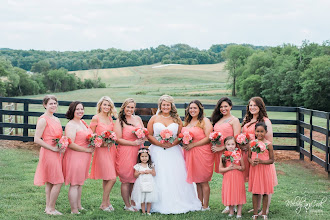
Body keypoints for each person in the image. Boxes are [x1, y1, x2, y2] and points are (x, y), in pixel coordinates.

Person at [147, 95, 202, 214]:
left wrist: (172, 144)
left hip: (173, 151)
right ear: (160, 106)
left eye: (168, 105)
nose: (166, 107)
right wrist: (159, 144)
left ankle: (179, 200)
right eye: (164, 104)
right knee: (159, 175)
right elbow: (149, 134)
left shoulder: (176, 119)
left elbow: (180, 135)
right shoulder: (154, 118)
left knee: (175, 174)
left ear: (171, 106)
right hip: (157, 150)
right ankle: (156, 201)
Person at [242, 97, 278, 215]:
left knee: (265, 182)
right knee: (256, 181)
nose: (252, 107)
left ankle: (265, 208)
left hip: (262, 156)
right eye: (250, 105)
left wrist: (256, 148)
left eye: (255, 105)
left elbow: (269, 141)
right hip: (251, 155)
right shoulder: (248, 120)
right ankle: (257, 207)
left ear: (260, 107)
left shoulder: (265, 121)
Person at [181, 100, 214, 210]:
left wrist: (193, 145)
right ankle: (199, 203)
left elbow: (208, 138)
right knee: (197, 180)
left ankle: (206, 205)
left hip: (202, 152)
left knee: (203, 180)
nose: (192, 110)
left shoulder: (204, 121)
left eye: (195, 108)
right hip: (190, 153)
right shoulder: (187, 122)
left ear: (200, 109)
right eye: (190, 108)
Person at [34, 95, 64, 215]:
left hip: (57, 152)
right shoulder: (43, 119)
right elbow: (36, 139)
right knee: (58, 180)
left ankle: (48, 208)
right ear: (45, 105)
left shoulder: (56, 119)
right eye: (50, 103)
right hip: (49, 152)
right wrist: (52, 148)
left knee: (51, 181)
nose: (53, 106)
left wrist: (62, 145)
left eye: (55, 103)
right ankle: (51, 208)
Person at [114, 98, 145, 211]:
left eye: (132, 107)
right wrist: (133, 142)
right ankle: (127, 205)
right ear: (124, 107)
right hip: (125, 152)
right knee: (126, 179)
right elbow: (118, 139)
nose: (130, 109)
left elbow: (144, 132)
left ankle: (134, 203)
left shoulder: (137, 118)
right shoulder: (119, 121)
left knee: (135, 178)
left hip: (138, 151)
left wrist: (142, 137)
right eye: (128, 107)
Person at [210, 97, 241, 213]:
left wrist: (222, 147)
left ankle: (236, 203)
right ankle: (229, 204)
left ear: (230, 107)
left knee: (234, 178)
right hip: (220, 154)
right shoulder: (218, 120)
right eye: (221, 107)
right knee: (226, 179)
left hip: (231, 153)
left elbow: (237, 138)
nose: (223, 109)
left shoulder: (234, 120)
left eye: (225, 106)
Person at [63, 101, 94, 214]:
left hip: (84, 157)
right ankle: (74, 210)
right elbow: (70, 144)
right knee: (75, 183)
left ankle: (79, 205)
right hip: (75, 156)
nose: (80, 111)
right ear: (72, 111)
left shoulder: (83, 123)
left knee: (80, 182)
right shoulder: (71, 125)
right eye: (77, 109)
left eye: (82, 109)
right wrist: (86, 150)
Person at [89, 96, 118, 212]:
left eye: (108, 105)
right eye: (104, 104)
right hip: (101, 150)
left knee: (107, 177)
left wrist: (111, 139)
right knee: (112, 178)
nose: (106, 107)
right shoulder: (96, 118)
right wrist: (101, 143)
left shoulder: (111, 118)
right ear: (100, 105)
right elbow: (90, 135)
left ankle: (108, 202)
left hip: (111, 150)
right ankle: (103, 204)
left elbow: (113, 133)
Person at [248, 122, 275, 220]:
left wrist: (261, 161)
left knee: (265, 192)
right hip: (255, 170)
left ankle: (264, 213)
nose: (259, 133)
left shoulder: (268, 144)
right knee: (255, 192)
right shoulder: (252, 143)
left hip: (265, 170)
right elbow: (249, 157)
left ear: (266, 132)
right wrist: (252, 162)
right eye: (257, 131)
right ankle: (255, 213)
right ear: (254, 132)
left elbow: (272, 160)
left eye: (262, 131)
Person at [218, 136, 246, 218]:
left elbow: (243, 167)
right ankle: (231, 211)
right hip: (228, 178)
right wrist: (228, 168)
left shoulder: (238, 154)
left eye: (233, 144)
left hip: (238, 177)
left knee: (238, 193)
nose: (231, 146)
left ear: (235, 145)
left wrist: (238, 167)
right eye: (228, 144)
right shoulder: (223, 156)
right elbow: (220, 169)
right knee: (230, 193)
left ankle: (239, 212)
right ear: (225, 146)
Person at [131, 148, 157, 215]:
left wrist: (150, 171)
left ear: (149, 157)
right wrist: (139, 172)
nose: (144, 158)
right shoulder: (138, 166)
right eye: (142, 156)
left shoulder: (151, 165)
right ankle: (143, 212)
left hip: (150, 183)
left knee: (149, 198)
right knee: (142, 198)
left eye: (146, 156)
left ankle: (148, 211)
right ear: (139, 157)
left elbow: (154, 174)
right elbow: (135, 175)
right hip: (141, 183)